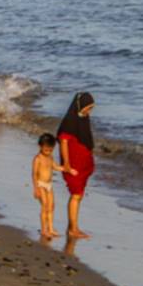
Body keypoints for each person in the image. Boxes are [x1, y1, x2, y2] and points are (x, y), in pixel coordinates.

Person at [57, 92, 96, 239]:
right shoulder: (70, 121)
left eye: (91, 108)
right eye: (88, 107)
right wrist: (66, 164)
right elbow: (64, 142)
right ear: (81, 105)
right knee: (76, 195)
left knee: (78, 195)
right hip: (73, 163)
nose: (89, 111)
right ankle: (73, 229)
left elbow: (87, 139)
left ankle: (72, 227)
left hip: (82, 163)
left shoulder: (84, 119)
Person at [33, 133, 68, 239]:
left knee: (52, 206)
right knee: (45, 207)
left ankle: (51, 228)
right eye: (46, 150)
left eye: (51, 150)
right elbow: (34, 174)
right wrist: (36, 189)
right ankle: (44, 229)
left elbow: (56, 167)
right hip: (40, 185)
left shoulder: (50, 157)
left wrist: (67, 169)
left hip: (49, 185)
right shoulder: (37, 159)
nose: (48, 152)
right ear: (40, 146)